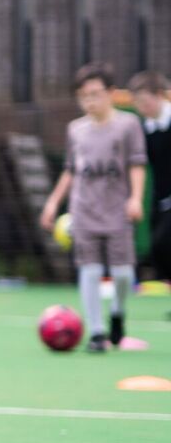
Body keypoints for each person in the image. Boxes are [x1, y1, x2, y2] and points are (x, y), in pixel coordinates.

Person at [41, 63, 147, 352]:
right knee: (89, 268)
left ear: (111, 93)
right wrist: (53, 203)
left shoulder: (128, 125)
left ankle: (117, 312)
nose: (90, 101)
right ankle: (97, 333)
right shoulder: (76, 130)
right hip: (84, 209)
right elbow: (70, 171)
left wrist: (135, 198)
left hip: (117, 209)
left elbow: (136, 165)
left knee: (123, 272)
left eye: (96, 94)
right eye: (84, 96)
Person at [130, 71, 171, 290]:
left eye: (145, 102)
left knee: (162, 243)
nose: (141, 108)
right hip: (160, 196)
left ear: (159, 96)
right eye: (137, 103)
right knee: (157, 249)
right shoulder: (144, 128)